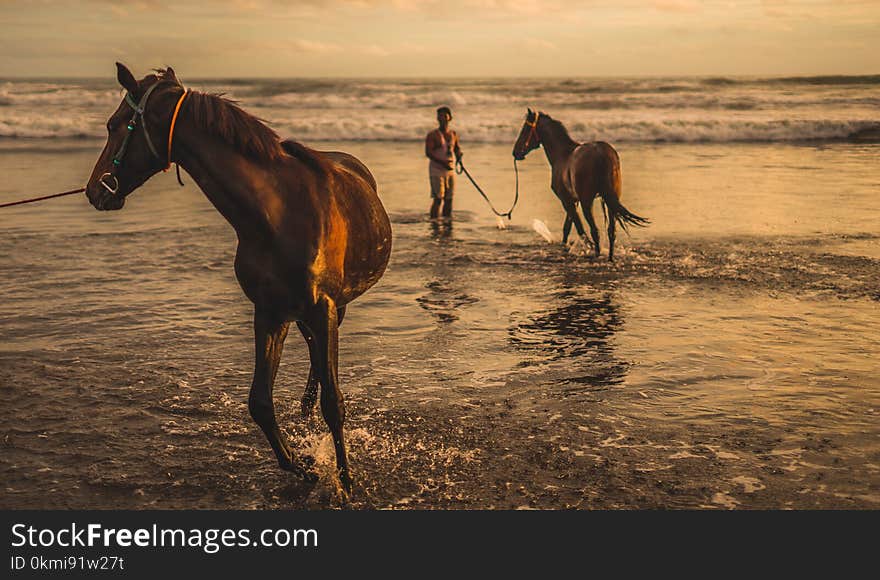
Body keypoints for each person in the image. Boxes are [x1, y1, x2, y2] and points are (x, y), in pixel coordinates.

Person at [425, 106, 462, 219]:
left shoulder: (453, 134)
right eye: (439, 116)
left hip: (450, 170)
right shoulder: (433, 135)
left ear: (450, 118)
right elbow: (429, 153)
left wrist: (459, 155)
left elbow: (456, 148)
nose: (442, 119)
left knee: (449, 198)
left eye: (444, 116)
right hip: (436, 170)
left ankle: (446, 221)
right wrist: (442, 163)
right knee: (438, 198)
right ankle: (434, 221)